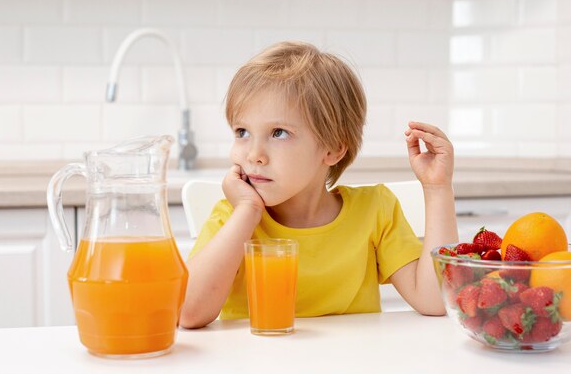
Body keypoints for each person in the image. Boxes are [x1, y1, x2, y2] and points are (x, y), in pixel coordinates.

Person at [179, 41, 458, 329]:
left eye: (278, 133)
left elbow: (436, 300)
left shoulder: (375, 210)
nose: (253, 155)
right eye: (242, 132)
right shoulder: (231, 217)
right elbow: (187, 311)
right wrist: (247, 211)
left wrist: (437, 190)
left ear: (333, 149)